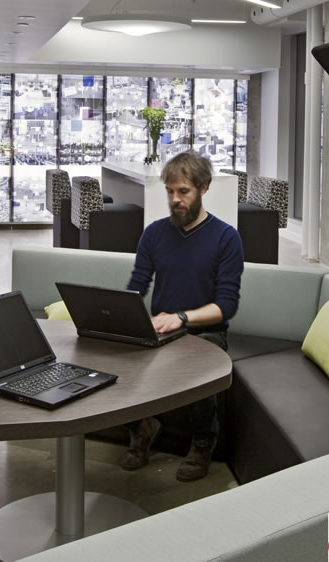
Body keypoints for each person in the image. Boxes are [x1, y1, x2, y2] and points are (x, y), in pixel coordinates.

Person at [121, 150, 244, 482]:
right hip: (160, 328)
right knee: (115, 355)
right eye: (170, 192)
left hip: (206, 331)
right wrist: (124, 316)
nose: (175, 200)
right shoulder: (154, 234)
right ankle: (142, 428)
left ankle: (204, 440)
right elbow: (137, 286)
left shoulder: (226, 238)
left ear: (203, 189)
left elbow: (226, 305)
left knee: (197, 361)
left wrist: (182, 317)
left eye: (183, 192)